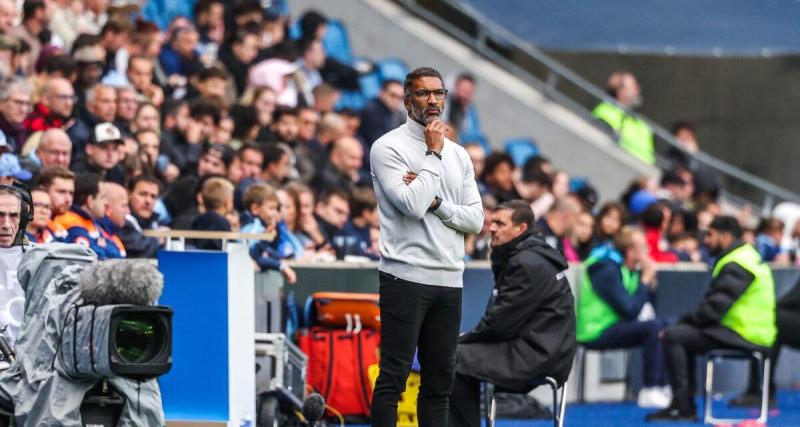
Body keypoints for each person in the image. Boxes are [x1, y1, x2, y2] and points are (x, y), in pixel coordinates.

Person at [369, 66, 483, 427]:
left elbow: (476, 221)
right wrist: (432, 156)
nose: (432, 101)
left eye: (438, 93)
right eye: (423, 94)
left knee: (438, 385)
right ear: (407, 101)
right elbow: (412, 206)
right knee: (393, 380)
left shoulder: (460, 155)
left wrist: (439, 204)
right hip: (404, 277)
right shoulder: (387, 147)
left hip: (450, 279)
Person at [449, 201, 575, 427]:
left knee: (453, 357)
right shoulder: (527, 255)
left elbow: (501, 322)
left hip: (539, 354)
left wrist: (464, 338)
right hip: (544, 347)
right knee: (456, 354)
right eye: (492, 222)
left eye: (500, 223)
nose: (492, 228)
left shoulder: (526, 262)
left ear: (521, 229)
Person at [646, 216, 777, 421]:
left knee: (674, 335)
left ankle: (682, 407)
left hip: (743, 333)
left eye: (710, 234)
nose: (705, 240)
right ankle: (683, 405)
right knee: (680, 333)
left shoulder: (738, 263)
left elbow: (712, 311)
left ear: (725, 236)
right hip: (748, 331)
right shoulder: (746, 256)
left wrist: (683, 322)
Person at [577, 226, 671, 408]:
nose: (648, 252)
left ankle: (662, 386)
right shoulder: (604, 269)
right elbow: (629, 311)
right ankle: (650, 389)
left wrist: (649, 284)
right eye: (643, 248)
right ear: (630, 251)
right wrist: (644, 280)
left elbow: (646, 307)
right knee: (653, 328)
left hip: (614, 326)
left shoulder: (628, 269)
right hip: (595, 331)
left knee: (667, 325)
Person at [592, 71, 655, 165]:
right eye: (633, 87)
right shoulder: (605, 111)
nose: (637, 90)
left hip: (643, 171)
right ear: (619, 91)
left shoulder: (642, 124)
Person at [0, 183, 30, 349]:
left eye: (13, 216)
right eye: (0, 215)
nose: (6, 224)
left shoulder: (37, 257)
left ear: (23, 219)